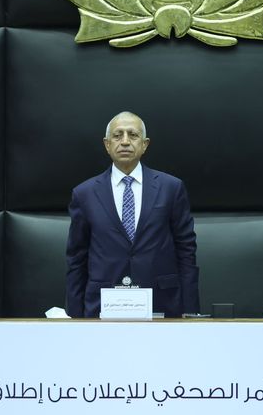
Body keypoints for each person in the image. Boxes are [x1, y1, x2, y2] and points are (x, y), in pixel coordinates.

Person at [66, 111, 200, 318]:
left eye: (133, 135)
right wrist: (74, 318)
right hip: (102, 305)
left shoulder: (171, 188)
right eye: (117, 135)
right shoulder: (84, 194)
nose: (125, 141)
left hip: (162, 302)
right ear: (107, 144)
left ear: (145, 144)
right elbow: (76, 259)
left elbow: (186, 251)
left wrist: (191, 313)